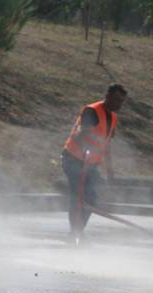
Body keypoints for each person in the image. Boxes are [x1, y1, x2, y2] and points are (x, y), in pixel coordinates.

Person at [61, 84, 128, 238]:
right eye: (117, 100)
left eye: (122, 102)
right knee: (79, 196)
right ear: (108, 96)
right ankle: (75, 233)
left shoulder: (113, 117)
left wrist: (110, 170)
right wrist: (87, 156)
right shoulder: (92, 111)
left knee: (91, 197)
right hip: (74, 160)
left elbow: (106, 144)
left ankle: (78, 231)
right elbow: (82, 136)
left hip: (89, 165)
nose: (119, 105)